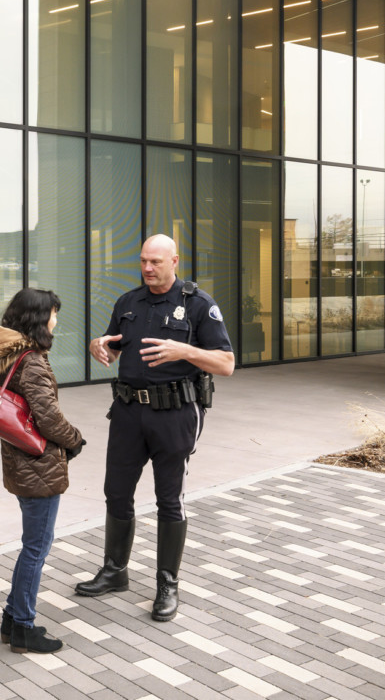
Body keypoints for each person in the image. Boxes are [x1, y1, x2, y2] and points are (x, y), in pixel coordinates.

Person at [75, 234, 234, 622]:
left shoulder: (198, 304)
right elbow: (114, 346)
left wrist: (186, 352)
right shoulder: (128, 302)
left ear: (175, 261)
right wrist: (100, 346)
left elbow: (227, 363)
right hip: (128, 411)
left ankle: (167, 583)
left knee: (169, 499)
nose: (148, 268)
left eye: (156, 262)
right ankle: (115, 571)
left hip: (175, 413)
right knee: (116, 492)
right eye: (144, 261)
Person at [0, 288, 86, 654]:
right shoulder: (32, 361)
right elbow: (49, 418)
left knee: (33, 545)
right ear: (39, 318)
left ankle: (11, 619)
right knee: (36, 548)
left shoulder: (11, 357)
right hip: (38, 465)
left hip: (21, 463)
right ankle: (23, 625)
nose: (57, 320)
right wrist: (73, 440)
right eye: (53, 313)